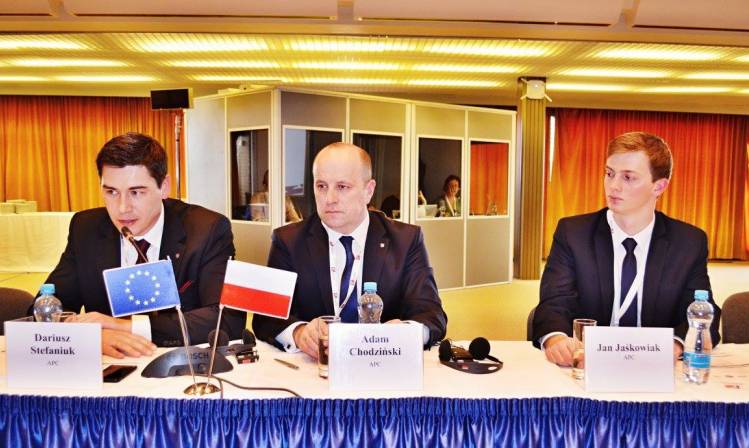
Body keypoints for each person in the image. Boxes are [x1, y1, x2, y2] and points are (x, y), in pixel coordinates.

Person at [43, 132, 245, 358]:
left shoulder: (206, 230)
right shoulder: (86, 228)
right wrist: (87, 337)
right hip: (109, 367)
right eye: (111, 192)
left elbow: (226, 320)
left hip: (180, 366)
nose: (122, 208)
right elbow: (45, 307)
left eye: (136, 192)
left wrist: (124, 327)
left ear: (164, 187)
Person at [532, 131, 721, 365]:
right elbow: (554, 303)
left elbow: (702, 311)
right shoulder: (574, 233)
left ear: (659, 186)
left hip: (654, 367)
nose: (613, 186)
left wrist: (675, 346)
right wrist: (557, 339)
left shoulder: (688, 242)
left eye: (628, 177)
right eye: (609, 173)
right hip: (587, 363)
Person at [252, 142, 447, 358]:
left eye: (342, 187)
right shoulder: (288, 241)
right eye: (321, 186)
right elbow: (266, 318)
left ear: (368, 191)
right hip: (314, 368)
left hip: (382, 364)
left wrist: (404, 333)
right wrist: (299, 332)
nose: (329, 199)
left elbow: (431, 314)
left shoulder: (405, 240)